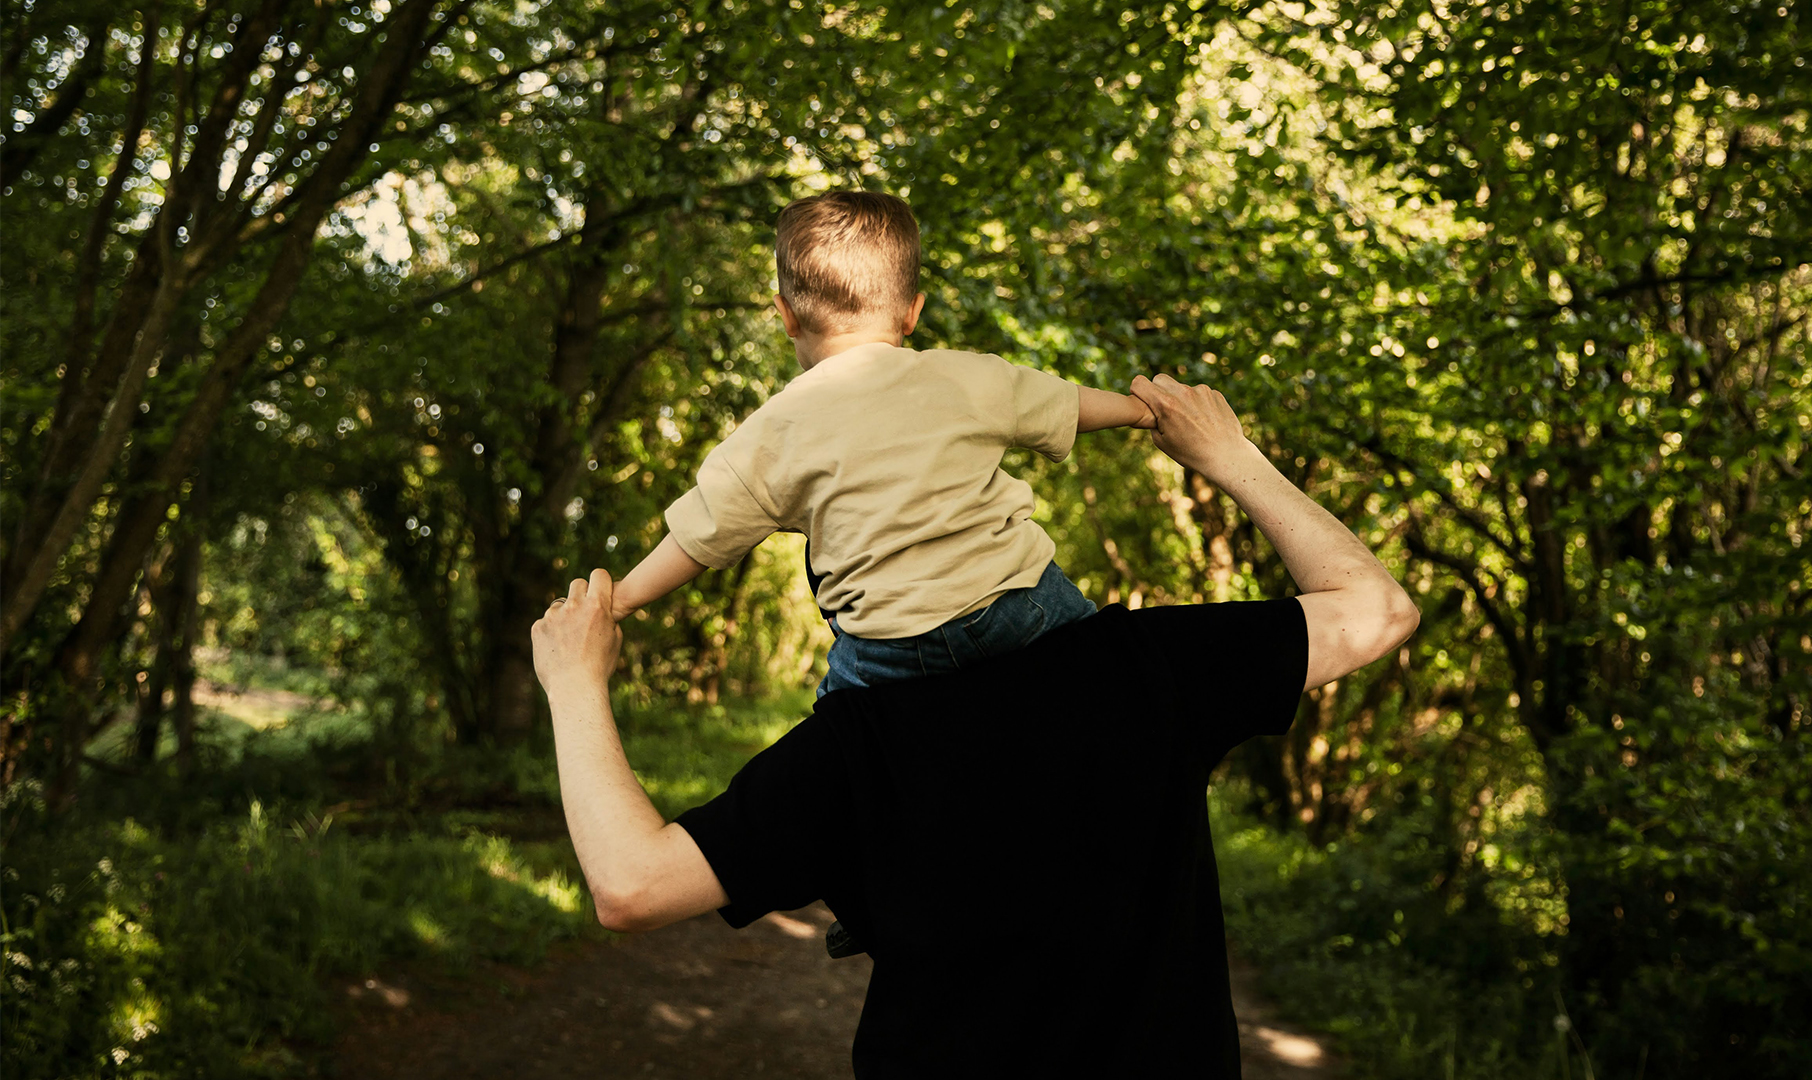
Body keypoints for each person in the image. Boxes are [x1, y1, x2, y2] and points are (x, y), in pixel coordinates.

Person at [532, 374, 1420, 1076]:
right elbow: (1376, 611)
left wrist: (576, 681)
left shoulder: (854, 746)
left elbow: (630, 887)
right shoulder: (1151, 667)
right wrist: (1228, 455)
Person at [604, 191, 1154, 698]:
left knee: (836, 738)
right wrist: (1141, 411)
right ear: (913, 311)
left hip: (889, 644)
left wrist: (622, 598)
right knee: (1103, 662)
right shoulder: (966, 377)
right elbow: (1066, 403)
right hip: (1018, 601)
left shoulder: (774, 431)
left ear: (787, 315)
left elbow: (701, 533)